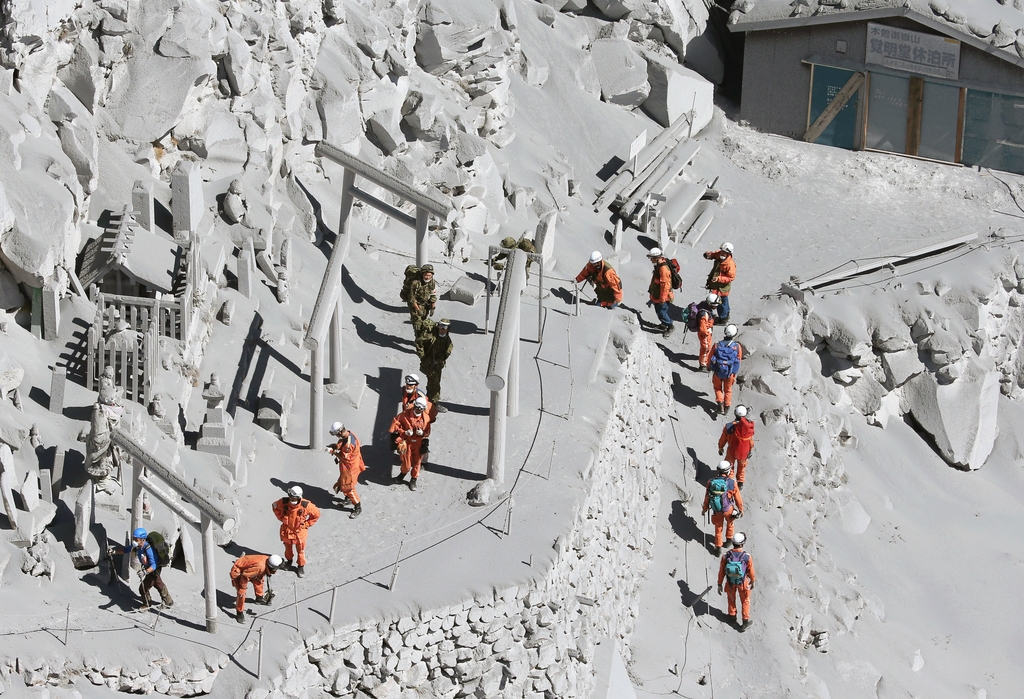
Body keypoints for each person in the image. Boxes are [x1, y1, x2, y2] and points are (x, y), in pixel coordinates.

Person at [271, 486, 321, 577]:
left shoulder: (306, 505)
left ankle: (300, 566)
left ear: (299, 497)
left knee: (300, 551)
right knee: (288, 550)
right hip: (286, 532)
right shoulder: (283, 502)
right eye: (290, 497)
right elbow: (274, 506)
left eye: (293, 498)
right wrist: (281, 518)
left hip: (299, 534)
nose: (291, 499)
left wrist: (306, 524)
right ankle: (289, 562)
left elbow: (316, 514)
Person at [389, 396, 431, 490]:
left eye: (421, 409)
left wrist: (423, 433)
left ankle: (413, 480)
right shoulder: (404, 415)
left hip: (418, 443)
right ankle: (402, 475)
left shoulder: (426, 418)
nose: (418, 410)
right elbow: (394, 426)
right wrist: (404, 432)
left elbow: (427, 432)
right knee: (406, 463)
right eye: (417, 408)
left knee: (417, 462)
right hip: (407, 442)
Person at [702, 461, 744, 555]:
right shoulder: (732, 483)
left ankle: (718, 547)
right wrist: (741, 509)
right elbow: (738, 498)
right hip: (728, 508)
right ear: (728, 471)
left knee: (718, 528)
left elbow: (707, 497)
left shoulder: (711, 482)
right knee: (730, 523)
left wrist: (704, 509)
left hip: (716, 509)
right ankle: (729, 540)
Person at [718, 532, 755, 631]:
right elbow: (751, 571)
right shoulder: (747, 556)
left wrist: (719, 584)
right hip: (743, 582)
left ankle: (732, 617)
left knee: (731, 599)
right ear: (742, 544)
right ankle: (745, 622)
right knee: (745, 600)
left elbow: (721, 571)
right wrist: (753, 580)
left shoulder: (726, 556)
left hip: (730, 582)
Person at [230, 553, 282, 623]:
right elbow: (245, 577)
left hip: (248, 568)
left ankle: (259, 598)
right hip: (238, 570)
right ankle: (239, 612)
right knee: (241, 594)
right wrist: (242, 588)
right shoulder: (259, 567)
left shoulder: (267, 559)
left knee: (259, 580)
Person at [329, 422, 366, 518]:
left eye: (336, 434)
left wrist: (333, 452)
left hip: (349, 468)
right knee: (343, 482)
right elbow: (343, 442)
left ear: (340, 432)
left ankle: (357, 507)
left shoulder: (348, 446)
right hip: (353, 463)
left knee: (349, 487)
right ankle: (348, 499)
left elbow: (344, 457)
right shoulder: (351, 434)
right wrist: (336, 446)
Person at [130, 528, 172, 609]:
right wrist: (114, 552)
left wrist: (145, 572)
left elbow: (154, 565)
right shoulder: (139, 546)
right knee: (158, 584)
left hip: (153, 571)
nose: (134, 541)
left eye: (136, 539)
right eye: (133, 538)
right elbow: (127, 549)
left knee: (143, 589)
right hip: (150, 570)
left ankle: (147, 604)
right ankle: (168, 601)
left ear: (142, 539)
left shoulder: (149, 549)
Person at [417, 318, 453, 411]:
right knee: (435, 384)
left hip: (438, 364)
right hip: (429, 363)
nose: (442, 329)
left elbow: (449, 346)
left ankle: (428, 400)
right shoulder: (430, 336)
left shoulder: (446, 337)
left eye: (445, 328)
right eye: (441, 327)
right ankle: (434, 403)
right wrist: (423, 357)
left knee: (433, 383)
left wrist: (444, 356)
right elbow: (419, 343)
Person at [709, 324, 743, 415]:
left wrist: (710, 367)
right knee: (728, 390)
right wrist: (734, 373)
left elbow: (711, 357)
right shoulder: (737, 347)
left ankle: (720, 404)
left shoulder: (716, 345)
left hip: (718, 371)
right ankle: (727, 407)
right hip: (730, 373)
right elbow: (738, 360)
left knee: (717, 388)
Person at [719, 405, 755, 488]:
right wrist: (750, 450)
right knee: (742, 467)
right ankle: (740, 483)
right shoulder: (749, 427)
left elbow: (723, 438)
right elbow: (751, 441)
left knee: (729, 465)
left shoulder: (729, 426)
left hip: (732, 450)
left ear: (735, 413)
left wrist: (720, 447)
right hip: (744, 452)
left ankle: (731, 482)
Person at [703, 243, 736, 324]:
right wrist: (708, 255)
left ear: (728, 254)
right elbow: (713, 255)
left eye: (724, 252)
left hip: (722, 287)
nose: (722, 253)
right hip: (716, 285)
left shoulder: (730, 264)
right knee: (724, 301)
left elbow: (731, 278)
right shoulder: (719, 255)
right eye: (722, 251)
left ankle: (722, 319)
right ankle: (725, 315)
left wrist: (719, 278)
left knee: (719, 302)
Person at [646, 247, 675, 337]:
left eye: (651, 258)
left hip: (663, 296)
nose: (651, 260)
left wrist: (662, 299)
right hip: (657, 294)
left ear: (656, 258)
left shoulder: (663, 269)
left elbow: (665, 286)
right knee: (659, 312)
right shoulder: (658, 266)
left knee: (662, 313)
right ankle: (663, 325)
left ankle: (670, 326)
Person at [406, 265, 437, 338]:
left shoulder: (431, 282)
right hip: (415, 305)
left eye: (429, 275)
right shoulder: (415, 283)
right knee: (417, 325)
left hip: (425, 305)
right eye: (426, 275)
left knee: (424, 323)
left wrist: (432, 307)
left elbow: (433, 294)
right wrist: (417, 309)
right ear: (422, 274)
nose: (428, 277)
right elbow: (412, 298)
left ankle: (421, 339)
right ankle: (419, 342)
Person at [695, 293, 719, 371]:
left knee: (706, 348)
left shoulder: (705, 306)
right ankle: (703, 365)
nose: (716, 306)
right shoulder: (704, 314)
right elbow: (703, 327)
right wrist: (707, 333)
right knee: (705, 348)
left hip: (706, 332)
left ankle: (705, 359)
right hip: (705, 334)